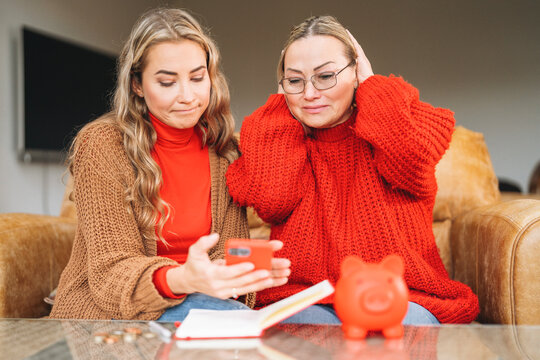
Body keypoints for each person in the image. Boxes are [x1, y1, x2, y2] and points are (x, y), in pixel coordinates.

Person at [226, 15, 479, 325]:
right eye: (295, 80)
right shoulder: (280, 140)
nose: (309, 93)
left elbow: (411, 158)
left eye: (326, 76)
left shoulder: (401, 119)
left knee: (397, 336)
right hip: (308, 299)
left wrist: (372, 84)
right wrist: (281, 106)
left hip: (401, 296)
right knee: (310, 338)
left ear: (356, 72)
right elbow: (272, 199)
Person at [50, 8, 290, 321]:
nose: (188, 96)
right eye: (167, 83)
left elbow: (262, 216)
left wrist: (237, 275)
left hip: (203, 306)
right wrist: (182, 279)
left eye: (197, 77)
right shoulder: (102, 146)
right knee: (234, 322)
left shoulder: (226, 149)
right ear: (137, 85)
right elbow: (110, 275)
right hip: (109, 317)